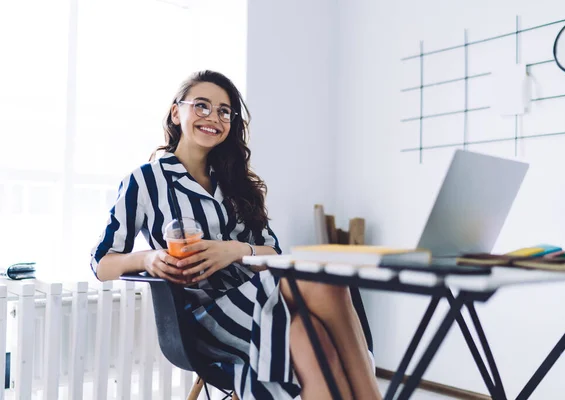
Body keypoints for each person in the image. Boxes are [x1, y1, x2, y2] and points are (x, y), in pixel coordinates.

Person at [90, 70, 380, 400]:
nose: (213, 117)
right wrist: (149, 258)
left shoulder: (235, 183)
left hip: (261, 299)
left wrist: (234, 250)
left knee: (312, 337)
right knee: (327, 286)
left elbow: (274, 254)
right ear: (176, 112)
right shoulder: (145, 181)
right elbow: (102, 263)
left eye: (224, 111)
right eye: (202, 106)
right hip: (205, 316)